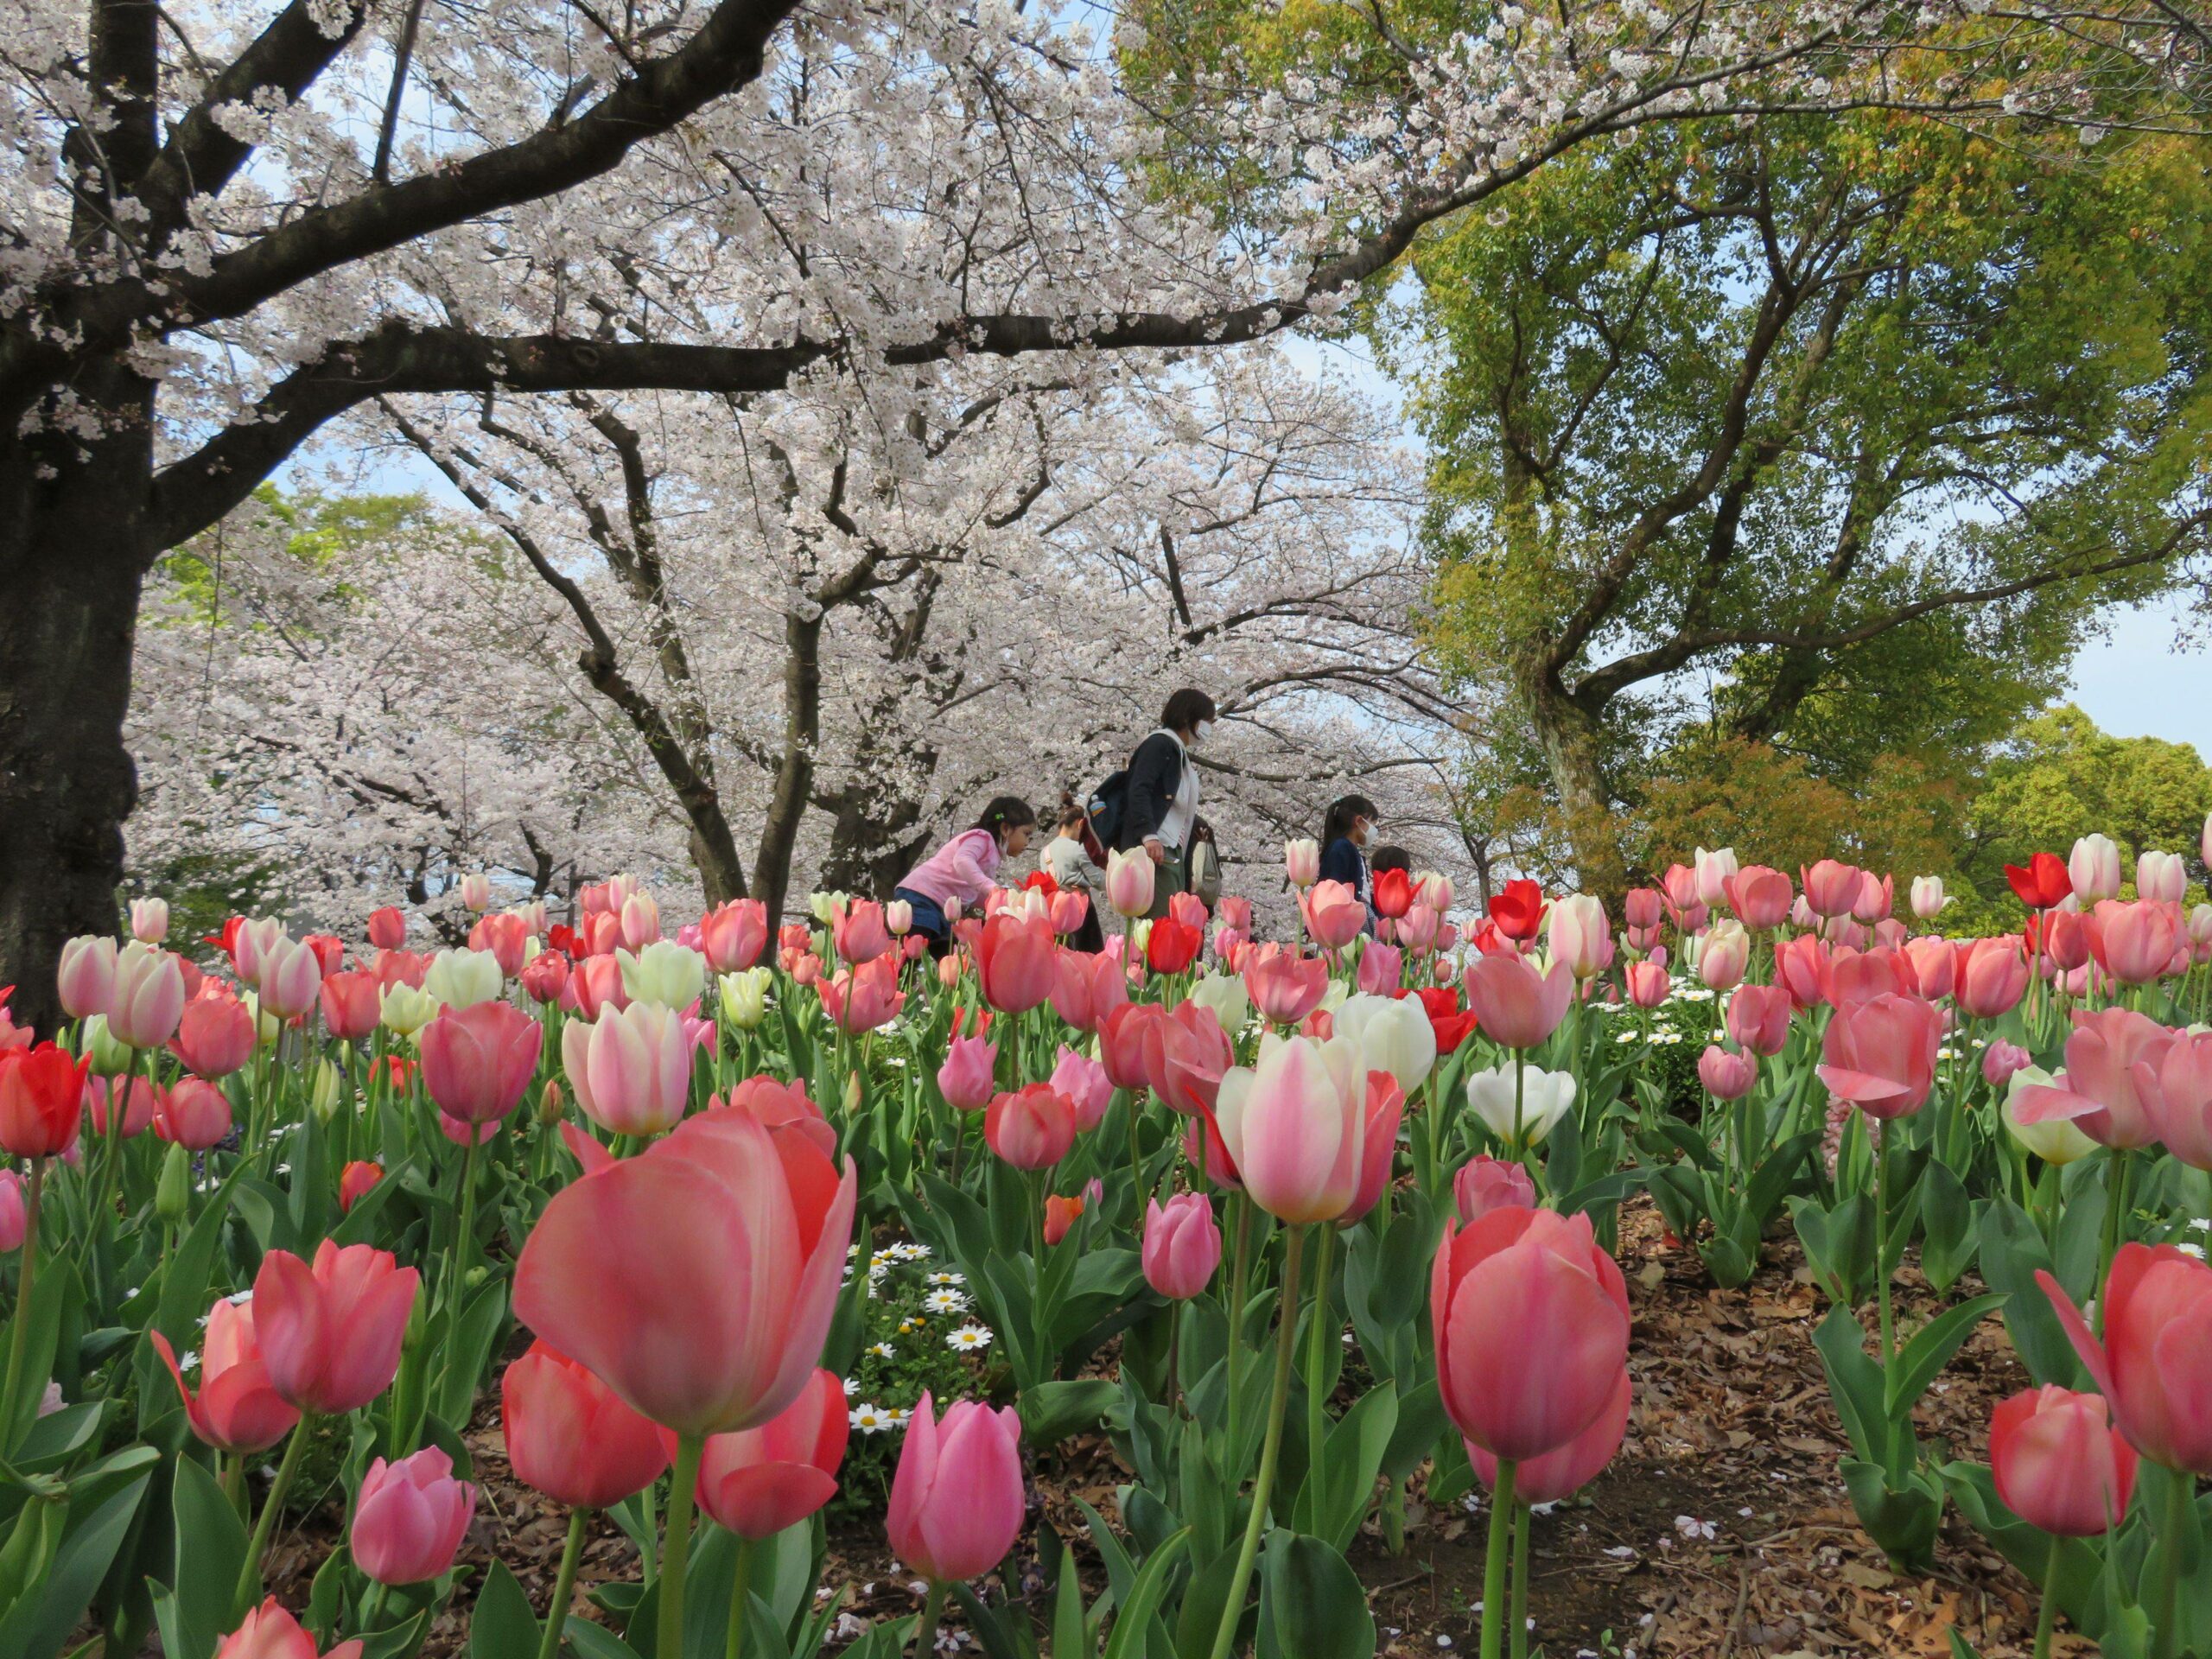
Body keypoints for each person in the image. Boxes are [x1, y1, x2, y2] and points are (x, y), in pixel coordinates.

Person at [1114, 689, 1217, 919]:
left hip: (1172, 850)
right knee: (1160, 922)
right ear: (1186, 717)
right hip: (1158, 849)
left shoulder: (1177, 752)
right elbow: (1139, 789)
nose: (1209, 728)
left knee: (1169, 921)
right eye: (1206, 721)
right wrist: (1149, 835)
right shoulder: (1160, 745)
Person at [893, 797, 1037, 950]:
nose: (1028, 842)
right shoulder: (981, 838)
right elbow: (962, 861)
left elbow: (975, 892)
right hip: (922, 895)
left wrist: (1004, 902)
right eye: (1026, 834)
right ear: (1005, 829)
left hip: (941, 905)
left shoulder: (993, 855)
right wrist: (991, 887)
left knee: (945, 950)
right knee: (917, 945)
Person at [1039, 799, 1105, 952]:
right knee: (1087, 952)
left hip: (1055, 906)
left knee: (1061, 950)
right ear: (1080, 823)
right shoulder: (1077, 848)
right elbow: (1097, 881)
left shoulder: (1045, 851)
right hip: (1079, 906)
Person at [1317, 794, 1379, 925]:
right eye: (1373, 824)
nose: (1374, 831)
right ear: (1359, 821)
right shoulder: (1342, 848)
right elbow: (1335, 886)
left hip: (1358, 913)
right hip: (1347, 918)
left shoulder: (1348, 849)